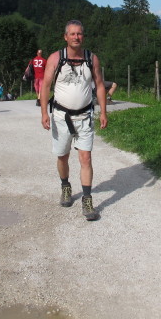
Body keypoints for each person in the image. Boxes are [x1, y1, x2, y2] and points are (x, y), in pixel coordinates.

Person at [40, 20, 108, 221]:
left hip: (85, 117)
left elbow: (100, 86)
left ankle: (87, 200)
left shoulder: (91, 59)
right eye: (72, 34)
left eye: (79, 34)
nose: (76, 37)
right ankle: (65, 186)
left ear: (83, 37)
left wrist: (103, 112)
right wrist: (44, 113)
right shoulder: (55, 58)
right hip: (61, 117)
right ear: (65, 37)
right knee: (62, 156)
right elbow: (45, 86)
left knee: (86, 158)